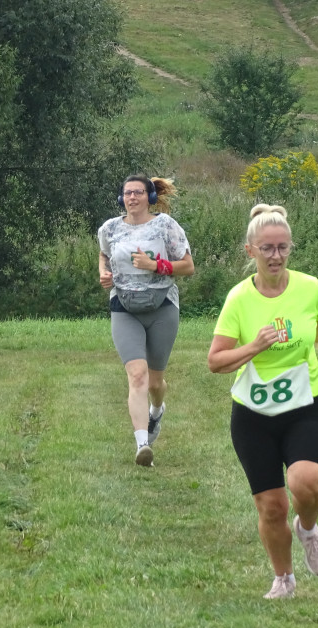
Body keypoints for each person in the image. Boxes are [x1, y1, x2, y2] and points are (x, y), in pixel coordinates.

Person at [207, 204, 318, 599]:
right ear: (250, 251)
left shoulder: (310, 288)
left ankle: (308, 529)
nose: (276, 256)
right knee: (271, 507)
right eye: (266, 248)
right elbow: (215, 361)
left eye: (283, 248)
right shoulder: (238, 300)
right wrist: (254, 346)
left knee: (308, 482)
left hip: (303, 406)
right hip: (252, 414)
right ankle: (283, 578)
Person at [98, 174, 195, 466]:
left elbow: (188, 267)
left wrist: (156, 265)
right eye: (127, 193)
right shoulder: (110, 228)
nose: (132, 198)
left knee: (154, 381)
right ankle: (142, 444)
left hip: (162, 305)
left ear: (150, 197)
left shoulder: (165, 225)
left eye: (139, 193)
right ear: (121, 198)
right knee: (137, 375)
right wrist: (103, 274)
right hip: (124, 306)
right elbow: (103, 254)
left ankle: (156, 410)